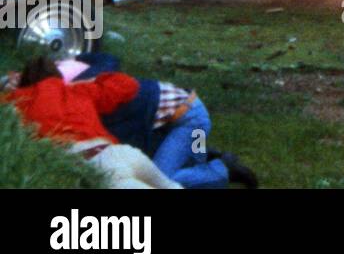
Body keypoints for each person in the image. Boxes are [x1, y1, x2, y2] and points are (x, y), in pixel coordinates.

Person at [75, 53, 257, 189]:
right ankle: (206, 156)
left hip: (192, 123)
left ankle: (224, 170)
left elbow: (134, 144)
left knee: (156, 180)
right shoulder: (100, 79)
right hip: (193, 118)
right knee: (195, 161)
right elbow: (108, 59)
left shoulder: (106, 108)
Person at [4, 57, 180, 189]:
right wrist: (84, 82)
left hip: (95, 165)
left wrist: (6, 83)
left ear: (24, 80)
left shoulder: (16, 101)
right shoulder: (78, 90)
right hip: (122, 153)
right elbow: (128, 85)